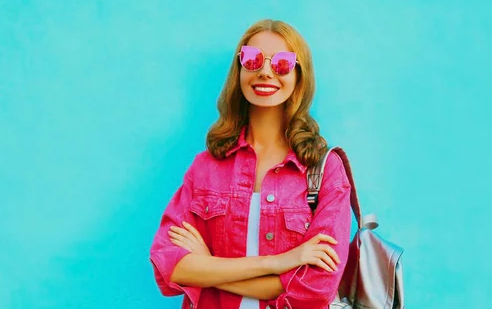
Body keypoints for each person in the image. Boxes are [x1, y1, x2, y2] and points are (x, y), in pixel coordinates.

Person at [149, 19, 352, 309]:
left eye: (282, 63)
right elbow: (168, 264)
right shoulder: (206, 167)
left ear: (299, 77)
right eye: (253, 60)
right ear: (240, 69)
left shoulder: (325, 169)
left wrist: (207, 268)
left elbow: (315, 289)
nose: (265, 72)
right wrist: (279, 262)